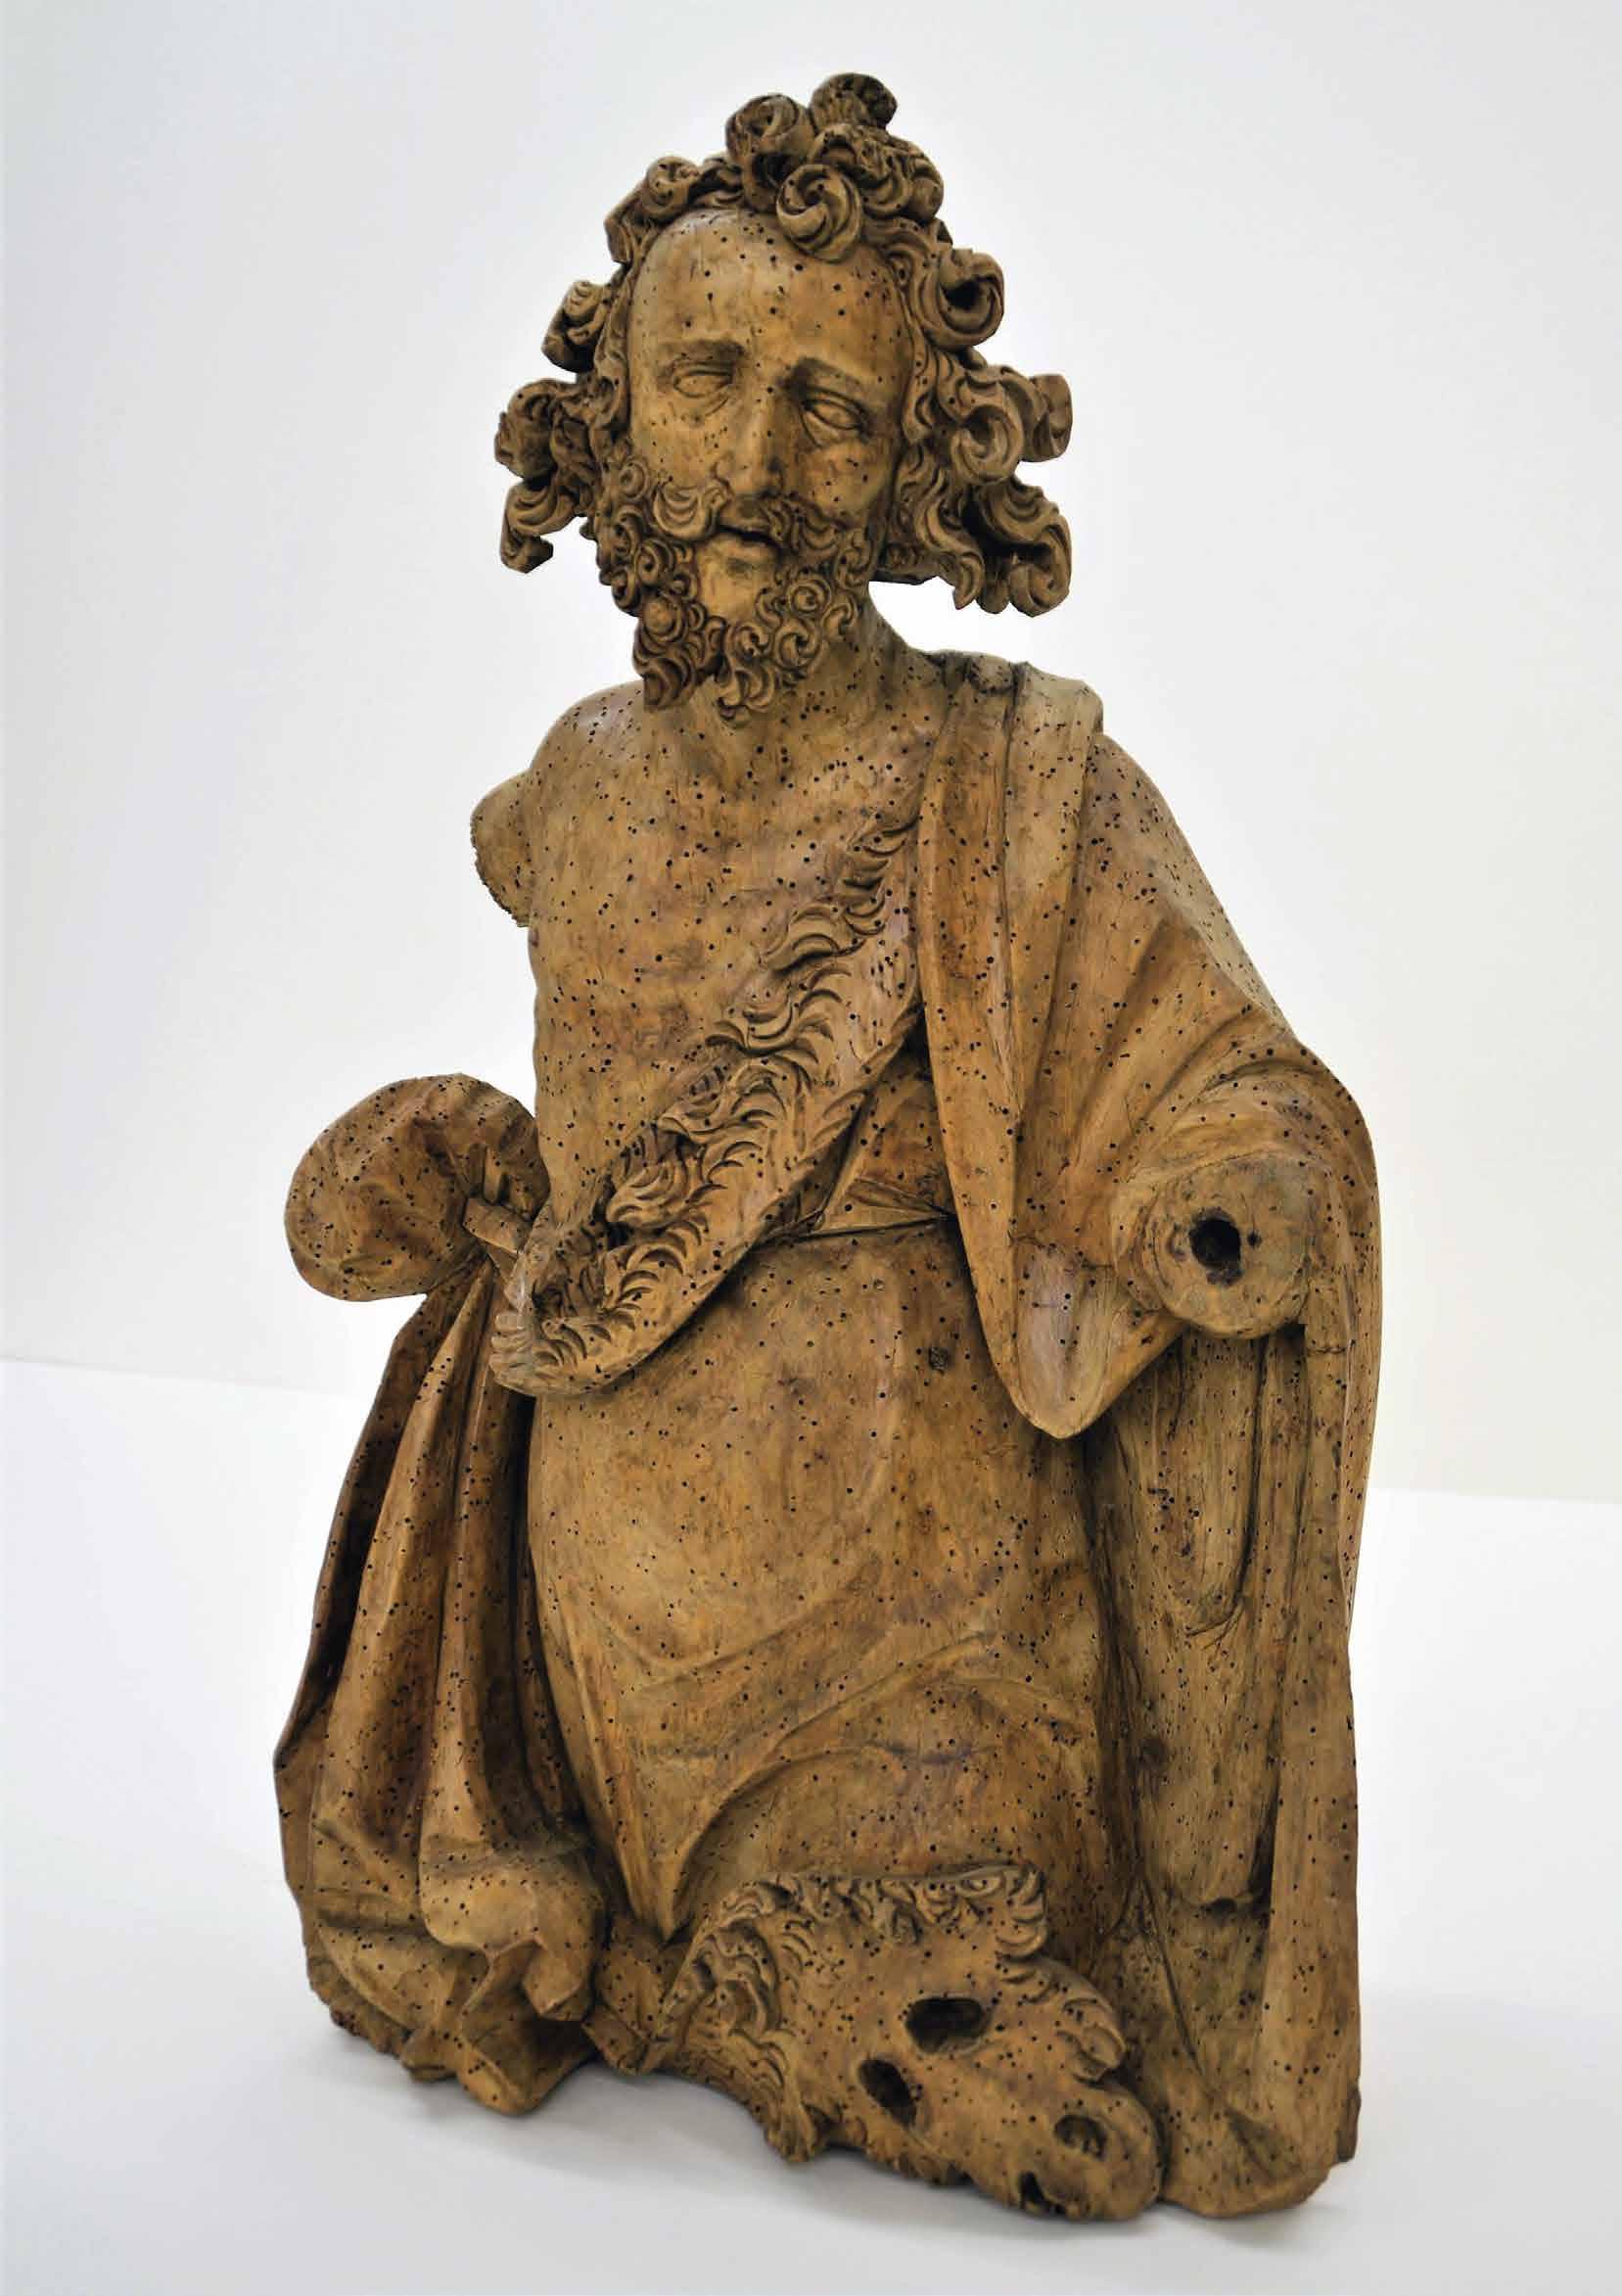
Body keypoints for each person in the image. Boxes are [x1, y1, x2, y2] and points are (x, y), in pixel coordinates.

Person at [277, 74, 1379, 2223]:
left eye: (830, 412)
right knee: (668, 1934)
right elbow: (583, 1163)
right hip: (601, 1636)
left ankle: (855, 2002)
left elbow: (1232, 1090)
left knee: (931, 1926)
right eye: (704, 379)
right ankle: (675, 1967)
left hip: (923, 1606)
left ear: (912, 474)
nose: (754, 465)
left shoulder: (1020, 789)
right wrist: (466, 1166)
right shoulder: (569, 792)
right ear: (606, 411)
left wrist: (1219, 1197)